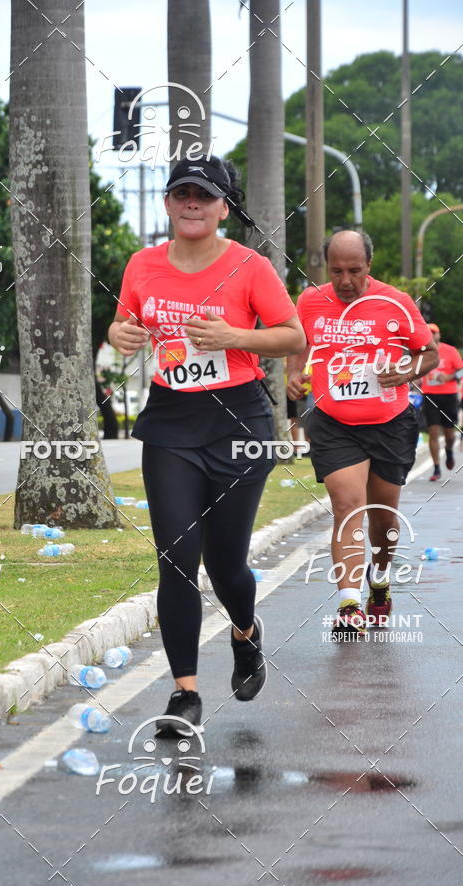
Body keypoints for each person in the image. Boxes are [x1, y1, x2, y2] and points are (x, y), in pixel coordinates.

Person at [107, 155, 305, 735]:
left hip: (239, 423)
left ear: (224, 208)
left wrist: (233, 335)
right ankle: (184, 694)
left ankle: (245, 632)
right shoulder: (142, 264)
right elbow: (123, 325)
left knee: (225, 565)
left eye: (205, 194)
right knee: (176, 559)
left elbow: (293, 335)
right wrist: (120, 333)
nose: (192, 202)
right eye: (182, 193)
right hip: (171, 421)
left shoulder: (249, 266)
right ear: (168, 203)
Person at [287, 230, 438, 633]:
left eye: (354, 270)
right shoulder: (310, 301)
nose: (345, 281)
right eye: (336, 271)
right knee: (346, 505)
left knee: (383, 521)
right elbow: (300, 342)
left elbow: (429, 354)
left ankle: (380, 577)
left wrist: (403, 371)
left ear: (369, 265)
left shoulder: (396, 302)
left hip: (390, 423)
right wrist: (294, 373)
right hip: (334, 423)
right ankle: (349, 604)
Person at [418, 323, 463, 481]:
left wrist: (449, 377)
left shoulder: (450, 350)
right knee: (433, 432)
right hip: (430, 395)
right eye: (428, 332)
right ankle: (436, 468)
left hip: (448, 395)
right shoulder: (421, 351)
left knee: (450, 434)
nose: (431, 335)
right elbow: (416, 369)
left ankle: (449, 451)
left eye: (434, 333)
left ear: (439, 335)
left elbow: (461, 370)